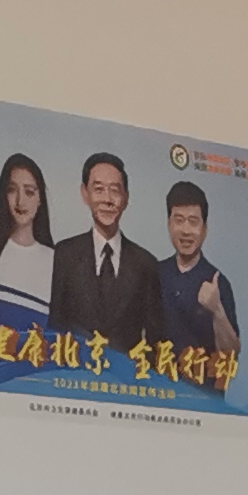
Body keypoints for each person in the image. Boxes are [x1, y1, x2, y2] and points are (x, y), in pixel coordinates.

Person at [45, 149, 159, 354]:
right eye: (98, 189)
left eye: (115, 190)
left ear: (126, 197)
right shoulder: (65, 254)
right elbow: (56, 326)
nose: (107, 199)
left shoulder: (145, 263)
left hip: (125, 372)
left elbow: (155, 339)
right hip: (76, 369)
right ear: (85, 194)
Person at [155, 176, 236, 385]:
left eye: (193, 221)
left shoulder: (218, 282)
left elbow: (232, 355)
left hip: (201, 396)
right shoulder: (153, 273)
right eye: (178, 220)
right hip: (158, 394)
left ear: (204, 229)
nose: (186, 230)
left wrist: (217, 310)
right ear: (169, 224)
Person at [0, 150, 56, 312]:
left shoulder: (55, 259)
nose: (20, 201)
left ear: (40, 199)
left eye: (29, 192)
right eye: (12, 190)